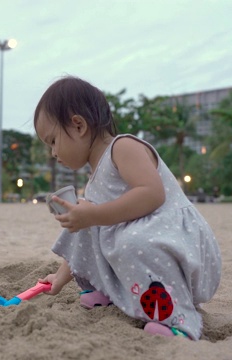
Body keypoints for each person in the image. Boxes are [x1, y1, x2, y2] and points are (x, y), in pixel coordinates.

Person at [33, 76, 221, 340]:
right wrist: (60, 277)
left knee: (124, 236)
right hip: (149, 241)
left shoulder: (122, 147)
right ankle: (108, 290)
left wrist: (94, 214)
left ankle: (180, 322)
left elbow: (152, 194)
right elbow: (86, 235)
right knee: (85, 225)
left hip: (180, 242)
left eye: (53, 140)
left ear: (78, 125)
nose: (52, 152)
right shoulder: (94, 181)